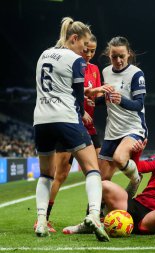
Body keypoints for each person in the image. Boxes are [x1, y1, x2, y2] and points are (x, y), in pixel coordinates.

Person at [33, 16, 109, 241]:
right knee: (92, 168)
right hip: (66, 118)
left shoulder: (43, 55)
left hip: (41, 120)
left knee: (46, 174)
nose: (84, 51)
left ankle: (41, 221)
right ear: (74, 38)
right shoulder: (75, 60)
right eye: (83, 45)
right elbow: (76, 95)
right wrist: (81, 111)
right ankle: (94, 215)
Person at [62, 36, 148, 234]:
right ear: (109, 55)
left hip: (133, 129)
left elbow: (138, 104)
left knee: (119, 158)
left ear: (129, 55)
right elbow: (107, 99)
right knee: (99, 182)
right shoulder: (106, 72)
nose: (118, 60)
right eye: (114, 56)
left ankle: (135, 178)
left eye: (122, 56)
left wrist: (121, 100)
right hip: (112, 132)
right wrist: (96, 101)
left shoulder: (136, 74)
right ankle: (91, 220)